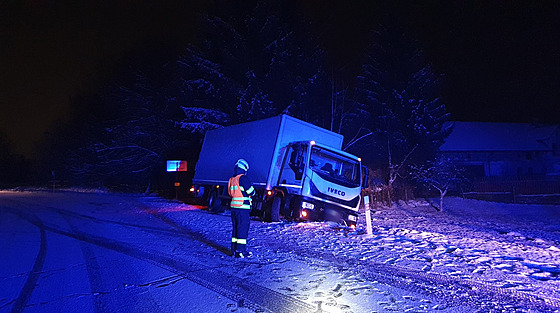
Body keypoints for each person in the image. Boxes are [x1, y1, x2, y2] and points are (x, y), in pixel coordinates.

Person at [228, 159, 256, 258]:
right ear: (244, 168)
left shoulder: (232, 179)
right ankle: (240, 251)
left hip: (234, 208)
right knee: (242, 229)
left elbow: (230, 193)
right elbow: (251, 192)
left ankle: (234, 250)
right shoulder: (243, 178)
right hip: (242, 208)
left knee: (236, 229)